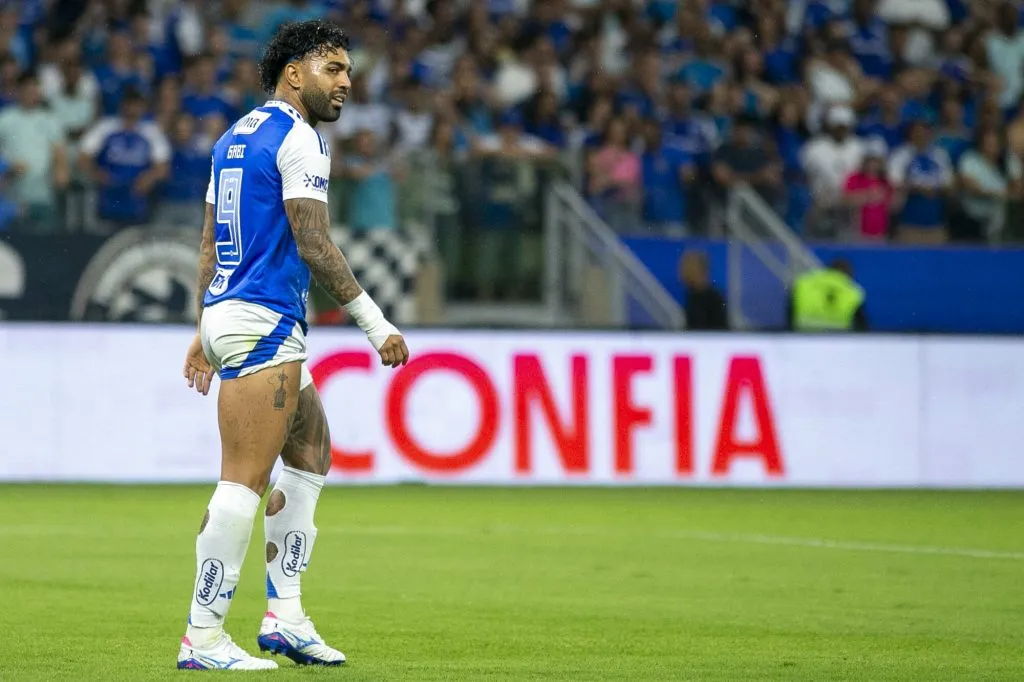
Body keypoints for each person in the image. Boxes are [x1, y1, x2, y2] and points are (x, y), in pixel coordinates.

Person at [178, 19, 410, 671]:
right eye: (332, 69)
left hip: (236, 316)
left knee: (311, 452)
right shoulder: (298, 138)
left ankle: (285, 615)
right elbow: (313, 241)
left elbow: (208, 243)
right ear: (294, 72)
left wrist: (203, 331)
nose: (345, 83)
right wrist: (375, 323)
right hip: (262, 319)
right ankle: (202, 636)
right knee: (243, 482)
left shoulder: (233, 137)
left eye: (349, 73)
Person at [788, 259, 869, 332]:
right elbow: (861, 324)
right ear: (848, 273)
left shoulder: (804, 283)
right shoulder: (852, 291)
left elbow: (790, 310)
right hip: (838, 338)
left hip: (803, 334)